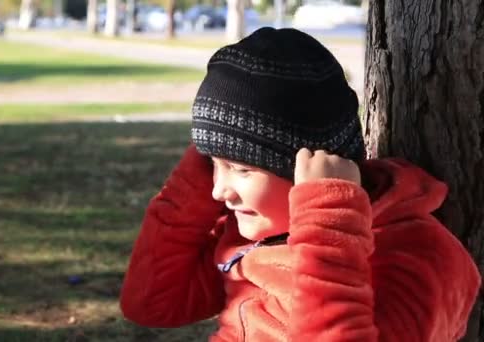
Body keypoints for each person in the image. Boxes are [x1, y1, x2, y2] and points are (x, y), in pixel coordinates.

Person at [119, 27, 481, 341]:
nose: (218, 191)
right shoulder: (256, 234)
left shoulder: (419, 256)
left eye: (242, 169)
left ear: (312, 171)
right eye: (212, 165)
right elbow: (152, 303)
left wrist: (328, 227)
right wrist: (194, 180)